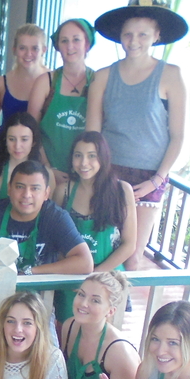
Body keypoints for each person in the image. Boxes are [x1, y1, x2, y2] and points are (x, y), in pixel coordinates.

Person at [87, 0, 188, 270]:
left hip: (148, 177)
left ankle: (120, 307)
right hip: (107, 172)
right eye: (128, 34)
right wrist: (93, 174)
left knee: (132, 255)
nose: (134, 41)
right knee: (101, 246)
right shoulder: (103, 76)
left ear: (156, 36)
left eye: (143, 34)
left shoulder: (171, 75)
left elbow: (177, 136)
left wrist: (157, 179)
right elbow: (92, 135)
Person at [0, 160, 93, 287]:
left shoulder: (56, 218)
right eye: (20, 187)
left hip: (37, 302)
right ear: (9, 189)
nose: (26, 195)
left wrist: (30, 272)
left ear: (46, 193)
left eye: (35, 188)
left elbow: (85, 263)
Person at [52, 133, 136, 321]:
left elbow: (129, 244)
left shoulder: (122, 191)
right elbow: (53, 240)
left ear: (103, 158)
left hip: (109, 279)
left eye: (92, 155)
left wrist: (95, 276)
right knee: (68, 333)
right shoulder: (63, 191)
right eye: (78, 155)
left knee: (104, 339)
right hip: (72, 281)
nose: (84, 162)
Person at [28, 19, 96, 188]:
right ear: (57, 46)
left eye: (76, 40)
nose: (70, 46)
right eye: (64, 41)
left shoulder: (98, 81)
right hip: (47, 174)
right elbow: (31, 130)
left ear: (87, 44)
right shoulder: (46, 82)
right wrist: (48, 169)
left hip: (85, 176)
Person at [0, 24, 50, 127]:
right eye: (22, 48)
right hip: (6, 142)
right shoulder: (1, 83)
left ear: (44, 50)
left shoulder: (54, 81)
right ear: (14, 50)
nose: (28, 54)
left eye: (35, 48)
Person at [0, 111, 44, 202]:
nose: (17, 146)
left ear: (34, 141)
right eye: (12, 139)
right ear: (5, 140)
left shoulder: (46, 174)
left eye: (24, 139)